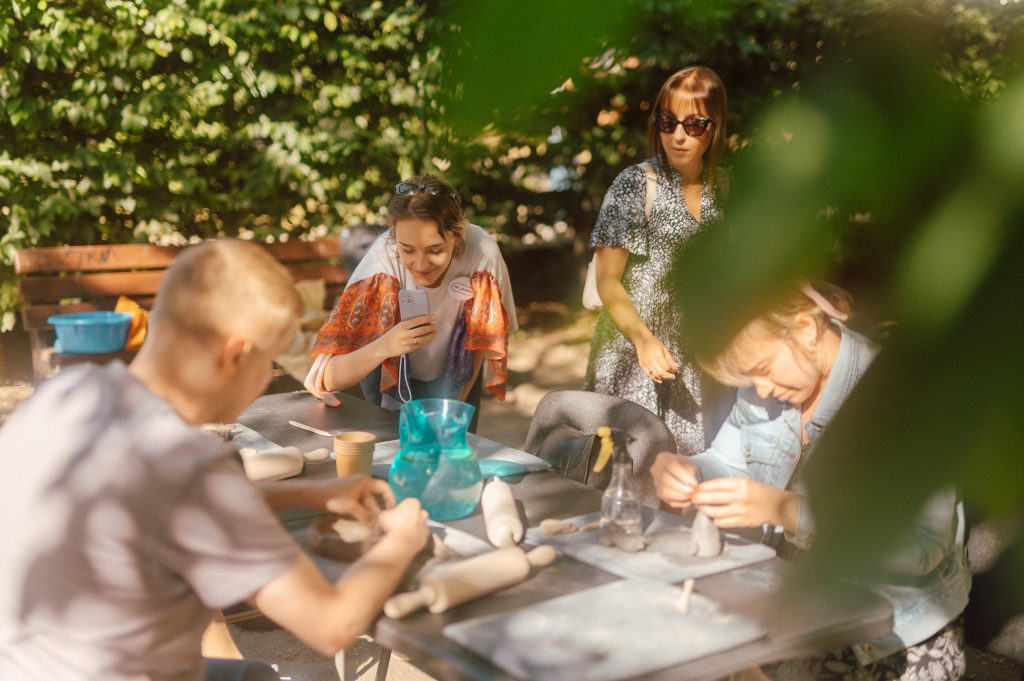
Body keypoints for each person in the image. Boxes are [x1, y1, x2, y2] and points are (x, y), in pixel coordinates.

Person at [0, 239, 430, 681]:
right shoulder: (186, 464)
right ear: (236, 355)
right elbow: (332, 625)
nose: (268, 377)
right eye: (269, 362)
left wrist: (308, 492)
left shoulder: (68, 392)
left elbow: (155, 508)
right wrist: (401, 539)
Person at [650, 284, 971, 679]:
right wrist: (688, 470)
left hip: (891, 634)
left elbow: (923, 547)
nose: (760, 390)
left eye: (763, 369)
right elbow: (727, 460)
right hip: (798, 608)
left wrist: (787, 511)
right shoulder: (763, 389)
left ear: (806, 329)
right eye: (747, 377)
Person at [584, 65, 730, 456]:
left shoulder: (725, 189)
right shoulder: (635, 184)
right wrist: (644, 341)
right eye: (668, 122)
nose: (678, 135)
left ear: (714, 126)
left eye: (694, 124)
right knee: (630, 482)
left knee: (693, 481)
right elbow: (607, 281)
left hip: (702, 366)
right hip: (636, 361)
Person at [305, 175, 517, 431]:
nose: (420, 264)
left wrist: (451, 413)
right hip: (387, 371)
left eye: (435, 250)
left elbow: (481, 339)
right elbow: (328, 378)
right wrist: (386, 345)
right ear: (394, 238)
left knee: (448, 454)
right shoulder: (380, 265)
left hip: (456, 369)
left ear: (457, 237)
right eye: (407, 249)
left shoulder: (482, 253)